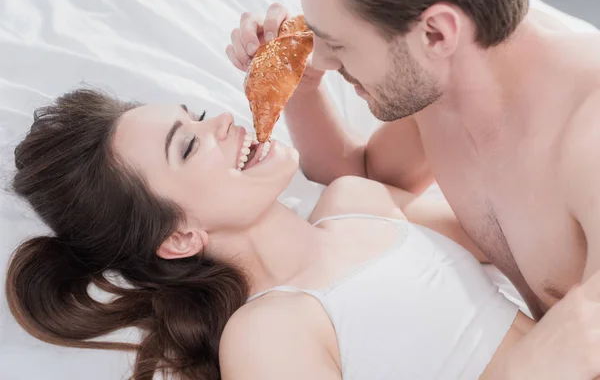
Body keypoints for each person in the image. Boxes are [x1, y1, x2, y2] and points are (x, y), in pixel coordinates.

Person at [5, 88, 537, 379]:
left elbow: (524, 239)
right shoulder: (264, 335)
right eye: (188, 146)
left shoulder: (358, 201)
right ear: (180, 237)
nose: (222, 123)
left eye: (200, 116)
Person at [226, 0, 600, 376]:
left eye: (338, 44)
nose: (322, 59)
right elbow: (363, 179)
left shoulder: (586, 140)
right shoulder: (443, 87)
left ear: (436, 33)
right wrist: (300, 87)